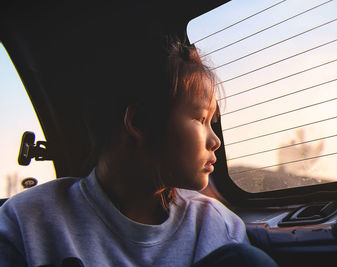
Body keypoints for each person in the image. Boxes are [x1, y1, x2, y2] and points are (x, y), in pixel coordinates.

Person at [0, 37, 277, 267]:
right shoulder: (29, 222)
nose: (214, 140)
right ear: (139, 123)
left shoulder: (217, 227)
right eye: (201, 119)